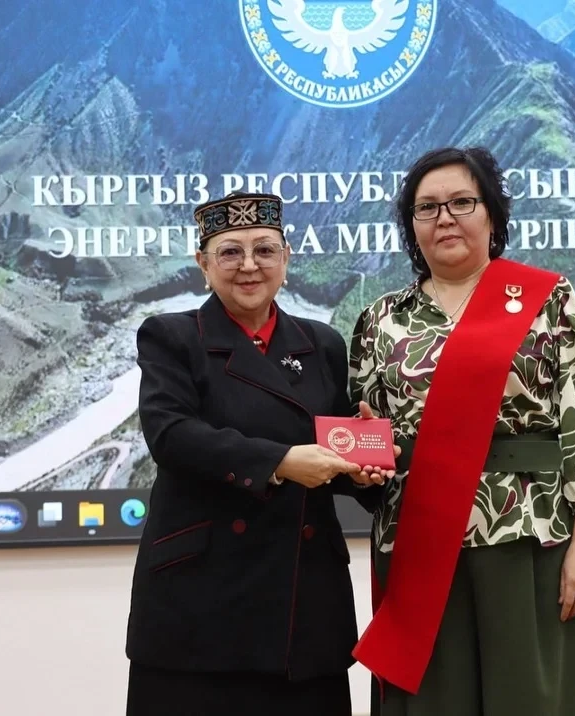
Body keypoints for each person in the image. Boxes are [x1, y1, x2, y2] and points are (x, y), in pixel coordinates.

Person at [348, 147, 575, 715]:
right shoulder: (381, 319)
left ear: (492, 214)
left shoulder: (546, 298)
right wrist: (363, 458)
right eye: (427, 208)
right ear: (411, 226)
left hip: (528, 534)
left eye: (461, 202)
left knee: (531, 701)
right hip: (419, 544)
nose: (445, 218)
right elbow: (367, 431)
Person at [124, 191, 393, 716]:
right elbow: (171, 434)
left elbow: (330, 449)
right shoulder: (171, 337)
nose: (249, 265)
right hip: (200, 605)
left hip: (303, 607)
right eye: (230, 252)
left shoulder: (322, 344)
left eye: (265, 250)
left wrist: (361, 470)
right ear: (203, 264)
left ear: (286, 260)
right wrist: (280, 462)